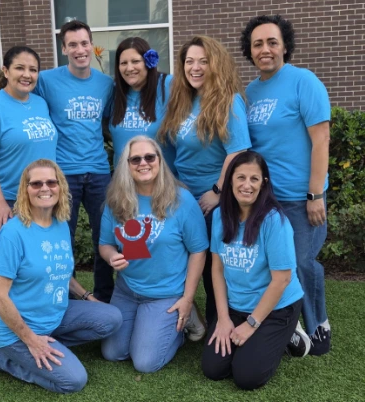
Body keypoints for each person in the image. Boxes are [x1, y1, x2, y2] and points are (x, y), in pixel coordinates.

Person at [0, 159, 122, 394]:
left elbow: (58, 269)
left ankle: (49, 343)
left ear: (60, 187)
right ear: (25, 190)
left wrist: (87, 296)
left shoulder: (60, 224)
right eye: (36, 184)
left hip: (54, 315)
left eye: (51, 182)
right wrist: (31, 340)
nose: (45, 188)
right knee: (73, 381)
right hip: (15, 329)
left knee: (112, 317)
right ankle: (0, 356)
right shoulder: (12, 234)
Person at [240, 15, 331, 355]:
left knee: (303, 263)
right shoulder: (250, 92)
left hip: (298, 197)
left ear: (285, 46)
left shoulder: (303, 81)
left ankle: (318, 325)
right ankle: (288, 326)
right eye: (257, 44)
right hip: (264, 199)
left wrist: (315, 193)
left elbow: (321, 140)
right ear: (249, 51)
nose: (265, 49)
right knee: (273, 264)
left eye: (272, 42)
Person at [159, 35, 252, 326]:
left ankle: (220, 325)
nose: (195, 67)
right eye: (189, 61)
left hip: (215, 200)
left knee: (215, 266)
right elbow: (174, 151)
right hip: (184, 198)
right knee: (181, 259)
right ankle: (180, 318)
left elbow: (238, 152)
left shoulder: (229, 101)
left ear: (216, 64)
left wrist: (217, 191)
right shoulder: (182, 101)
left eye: (203, 61)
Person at [99, 136, 208, 373]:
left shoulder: (182, 200)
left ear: (159, 160)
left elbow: (198, 251)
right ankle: (150, 323)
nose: (143, 163)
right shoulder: (116, 200)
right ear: (126, 165)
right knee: (113, 353)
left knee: (145, 362)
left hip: (165, 294)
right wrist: (110, 257)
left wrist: (187, 298)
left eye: (149, 157)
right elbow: (105, 244)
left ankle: (184, 321)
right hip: (127, 290)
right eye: (135, 159)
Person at [201, 151, 304, 390]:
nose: (247, 185)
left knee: (247, 377)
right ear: (230, 181)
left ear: (263, 183)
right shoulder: (220, 217)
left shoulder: (274, 221)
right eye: (241, 177)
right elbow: (217, 269)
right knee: (213, 369)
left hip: (275, 308)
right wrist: (223, 318)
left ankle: (290, 334)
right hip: (236, 305)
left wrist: (251, 324)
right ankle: (259, 338)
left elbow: (282, 279)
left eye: (254, 179)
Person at [34, 20, 114, 303]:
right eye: (73, 45)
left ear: (91, 45)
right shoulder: (46, 80)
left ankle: (104, 297)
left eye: (84, 43)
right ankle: (66, 297)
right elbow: (18, 95)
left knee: (104, 237)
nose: (80, 50)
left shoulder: (106, 84)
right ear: (64, 49)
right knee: (61, 239)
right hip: (63, 173)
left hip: (99, 172)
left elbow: (112, 118)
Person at [0, 46, 57, 235]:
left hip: (43, 194)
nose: (27, 75)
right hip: (10, 199)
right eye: (20, 68)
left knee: (41, 249)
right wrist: (0, 202)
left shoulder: (41, 103)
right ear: (6, 71)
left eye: (33, 70)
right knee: (13, 251)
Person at [109, 37, 176, 172]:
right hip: (123, 181)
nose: (129, 68)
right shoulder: (114, 92)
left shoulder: (168, 85)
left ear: (148, 62)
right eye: (123, 63)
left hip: (162, 179)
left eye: (135, 61)